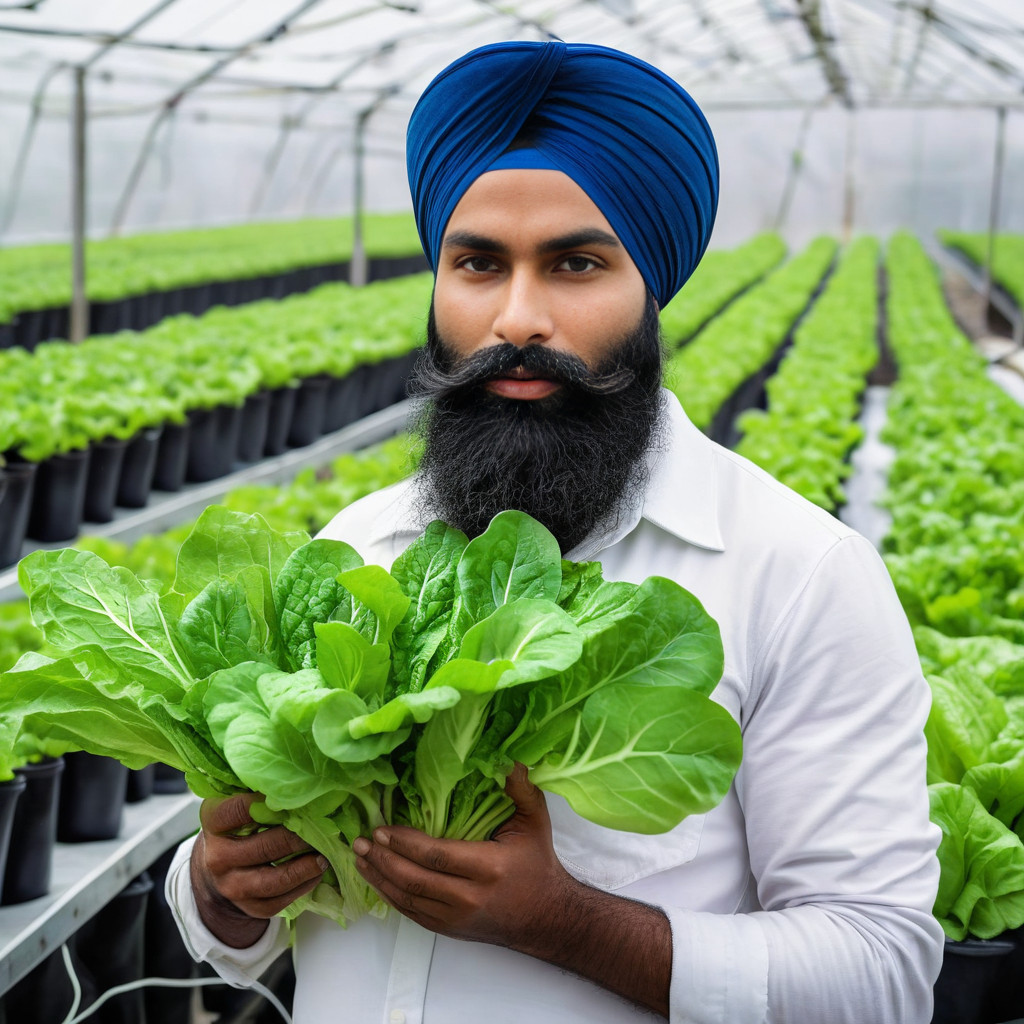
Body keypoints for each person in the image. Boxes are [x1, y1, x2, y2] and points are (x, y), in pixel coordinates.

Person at [167, 40, 944, 1023]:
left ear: (650, 288)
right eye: (477, 263)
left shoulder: (796, 575)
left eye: (577, 263)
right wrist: (217, 886)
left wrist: (564, 919)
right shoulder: (357, 549)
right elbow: (231, 941)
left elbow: (879, 972)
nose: (518, 315)